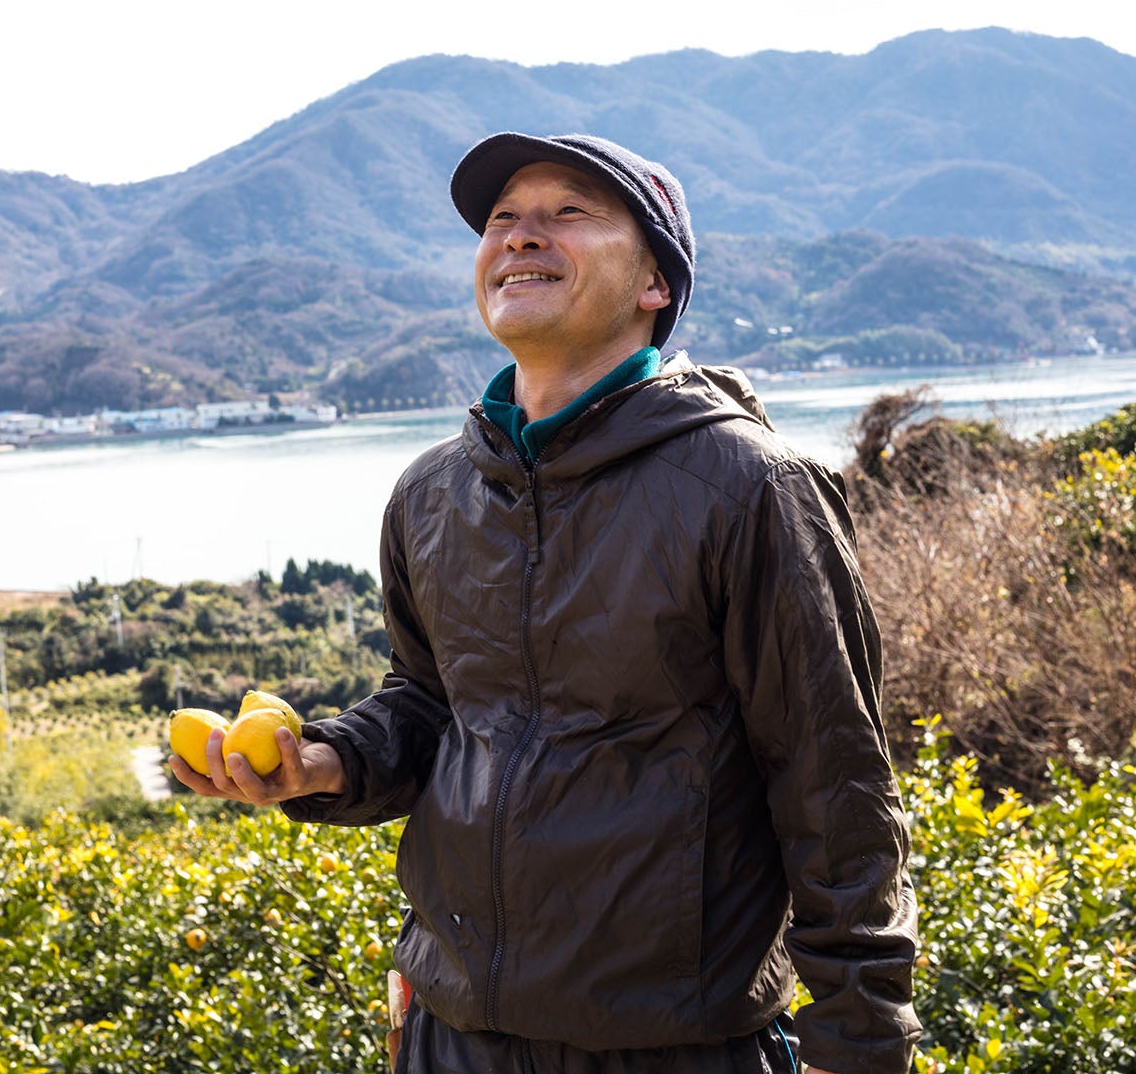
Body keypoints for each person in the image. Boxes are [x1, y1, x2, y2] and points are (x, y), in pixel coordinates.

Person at [170, 132, 921, 1074]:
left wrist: (859, 1044)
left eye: (569, 214)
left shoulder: (749, 488)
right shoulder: (433, 494)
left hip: (673, 1047)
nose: (521, 237)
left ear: (656, 284)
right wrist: (326, 761)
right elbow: (434, 706)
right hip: (450, 1037)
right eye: (501, 221)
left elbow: (835, 784)